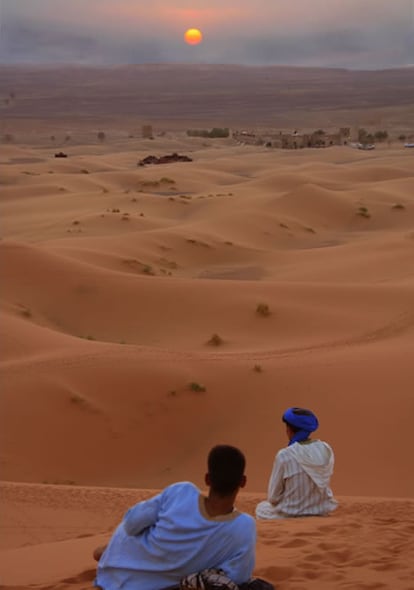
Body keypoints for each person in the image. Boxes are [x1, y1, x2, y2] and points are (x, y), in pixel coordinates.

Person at [94, 445, 256, 590]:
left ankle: (108, 553)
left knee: (110, 548)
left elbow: (131, 524)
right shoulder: (244, 526)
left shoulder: (180, 492)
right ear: (243, 482)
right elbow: (238, 576)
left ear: (207, 479)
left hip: (111, 573)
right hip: (153, 582)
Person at [256, 407, 338, 520]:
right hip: (321, 510)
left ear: (289, 429)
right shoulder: (325, 448)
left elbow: (273, 498)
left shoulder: (284, 455)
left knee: (261, 508)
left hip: (291, 512)